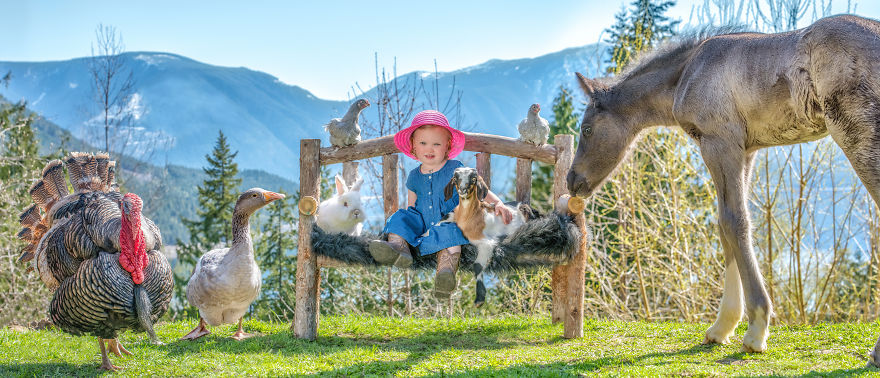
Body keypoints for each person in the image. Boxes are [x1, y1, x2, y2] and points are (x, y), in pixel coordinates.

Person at [369, 110, 513, 299]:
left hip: (449, 220)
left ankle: (445, 274)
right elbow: (412, 207)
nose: (430, 149)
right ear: (413, 146)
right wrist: (410, 225)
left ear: (447, 146)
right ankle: (399, 248)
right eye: (423, 143)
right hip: (422, 222)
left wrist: (498, 203)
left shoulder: (455, 168)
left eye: (437, 144)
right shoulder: (414, 176)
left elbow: (478, 187)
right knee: (401, 217)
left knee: (451, 233)